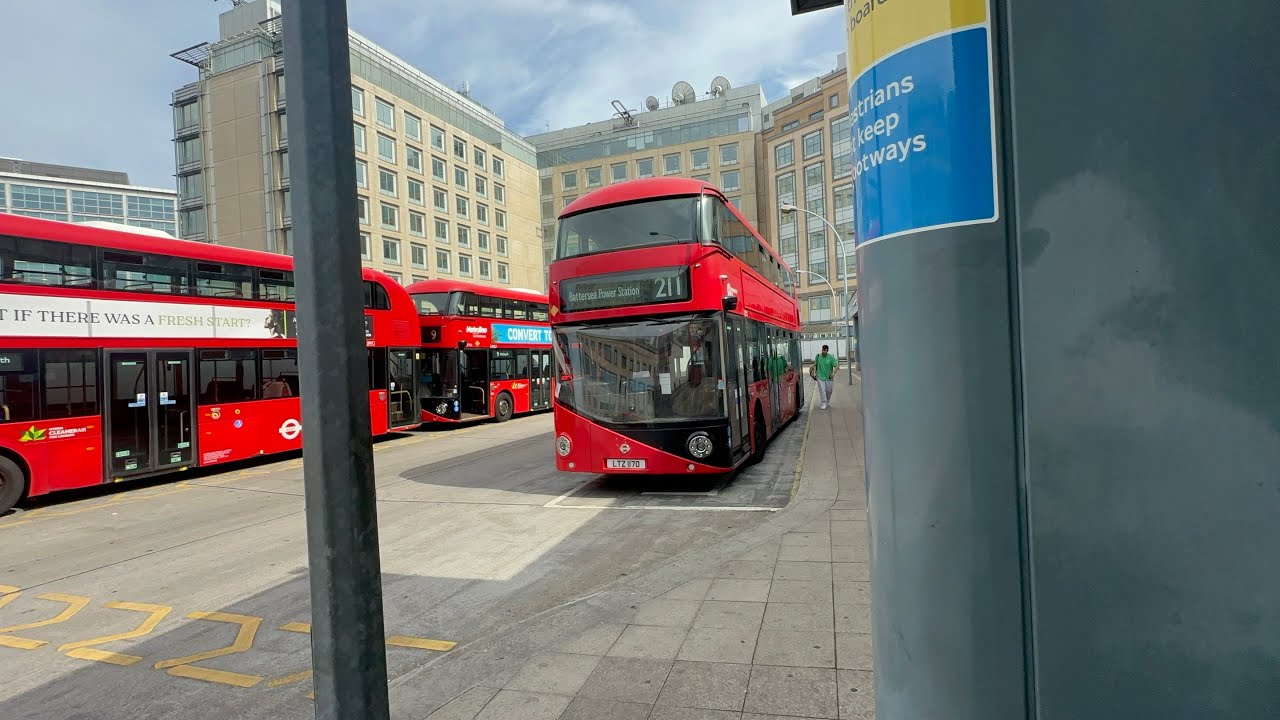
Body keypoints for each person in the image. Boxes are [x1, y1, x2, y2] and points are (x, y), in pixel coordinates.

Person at [810, 344, 838, 410]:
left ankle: (828, 401)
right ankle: (823, 403)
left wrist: (833, 373)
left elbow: (836, 366)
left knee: (829, 391)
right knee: (822, 390)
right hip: (820, 376)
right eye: (822, 350)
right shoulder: (818, 356)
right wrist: (814, 373)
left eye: (825, 350)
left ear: (827, 350)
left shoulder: (831, 357)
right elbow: (815, 365)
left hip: (828, 377)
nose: (823, 351)